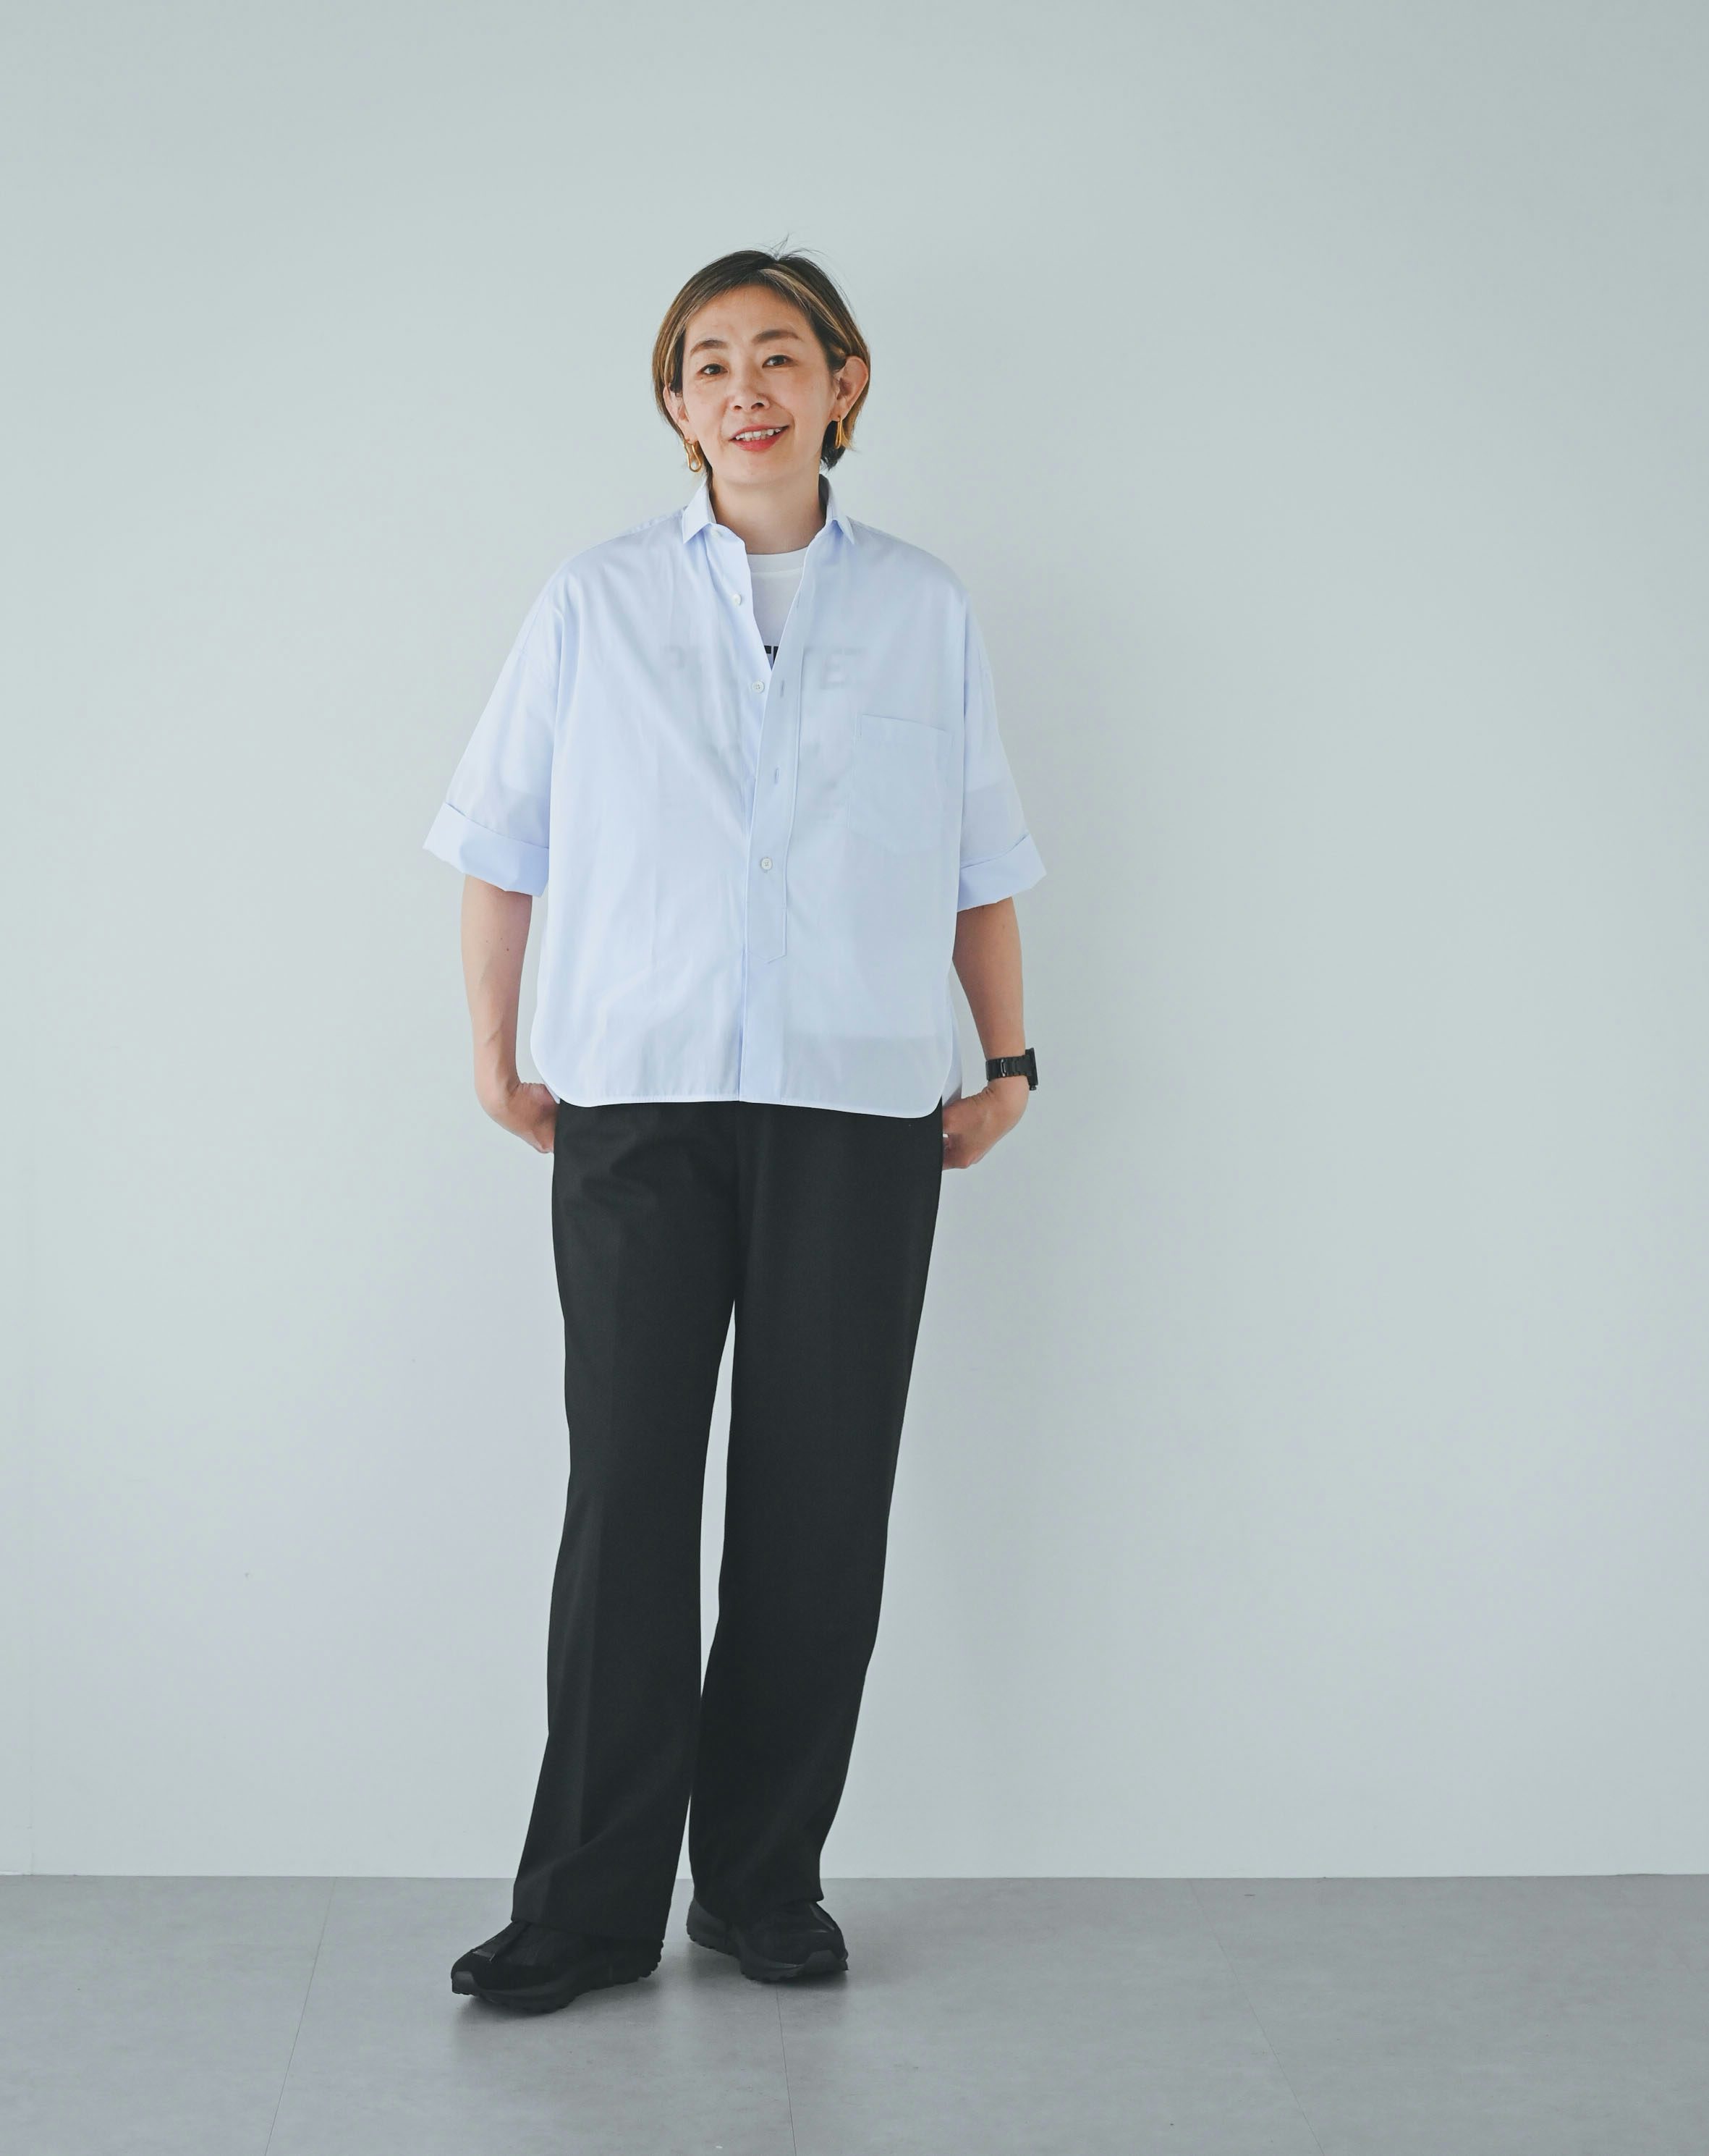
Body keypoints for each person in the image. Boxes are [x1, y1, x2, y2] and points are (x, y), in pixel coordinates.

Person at [428, 248, 1045, 2015]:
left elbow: (976, 861)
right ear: (674, 403)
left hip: (856, 1102)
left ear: (845, 384)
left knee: (816, 1501)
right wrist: (497, 1050)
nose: (744, 387)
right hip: (638, 1099)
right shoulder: (595, 598)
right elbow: (501, 839)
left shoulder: (921, 608)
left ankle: (763, 1883)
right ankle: (584, 1906)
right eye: (709, 361)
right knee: (627, 1494)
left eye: (781, 355)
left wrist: (1008, 1060)